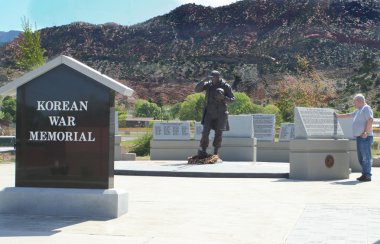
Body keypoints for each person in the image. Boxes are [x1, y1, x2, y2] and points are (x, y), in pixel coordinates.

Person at [195, 70, 235, 157]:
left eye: (213, 77)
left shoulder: (225, 86)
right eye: (211, 77)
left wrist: (223, 98)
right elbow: (196, 90)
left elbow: (232, 100)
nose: (212, 79)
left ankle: (216, 152)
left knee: (218, 133)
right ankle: (203, 150)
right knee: (205, 132)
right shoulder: (209, 84)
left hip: (220, 113)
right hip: (209, 112)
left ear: (218, 77)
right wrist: (204, 80)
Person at [335, 94, 374, 182]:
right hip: (360, 137)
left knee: (366, 157)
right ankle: (364, 174)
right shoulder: (358, 110)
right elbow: (349, 115)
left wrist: (366, 132)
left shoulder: (366, 108)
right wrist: (337, 116)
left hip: (365, 137)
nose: (354, 103)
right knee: (361, 158)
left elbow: (370, 119)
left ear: (359, 101)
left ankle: (367, 175)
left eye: (354, 102)